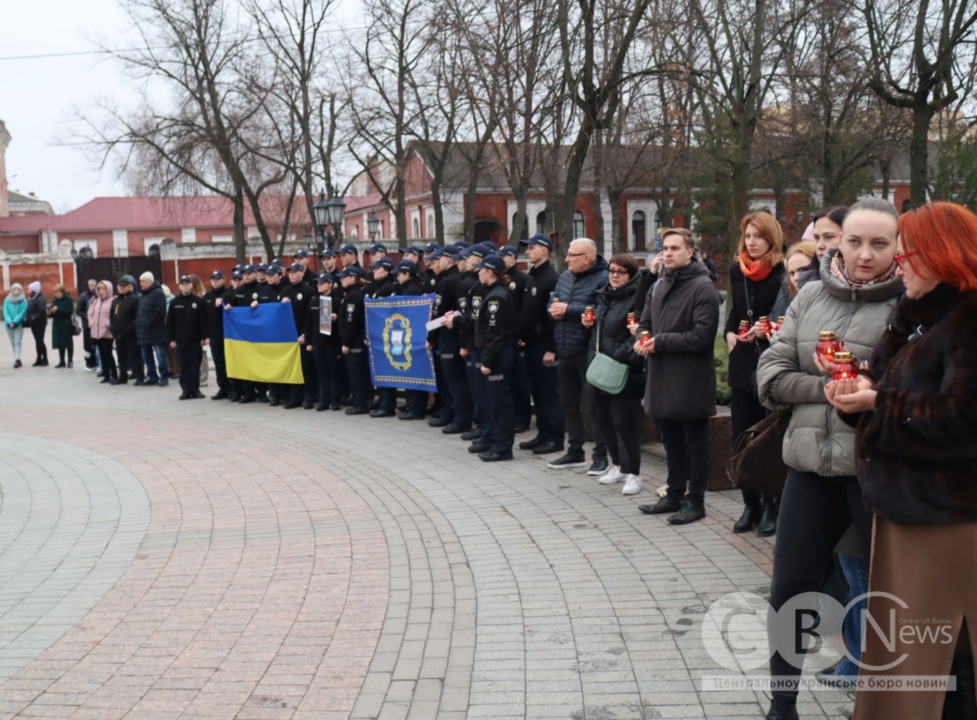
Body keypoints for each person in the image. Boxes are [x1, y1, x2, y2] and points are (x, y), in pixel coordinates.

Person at [820, 201, 977, 720]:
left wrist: (878, 404)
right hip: (906, 515)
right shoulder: (915, 314)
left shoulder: (967, 317)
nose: (899, 262)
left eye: (909, 251)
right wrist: (860, 393)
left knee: (947, 656)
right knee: (914, 654)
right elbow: (892, 398)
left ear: (941, 254)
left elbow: (964, 419)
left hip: (948, 521)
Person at [755, 198, 905, 720]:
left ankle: (886, 703)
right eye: (855, 240)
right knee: (790, 589)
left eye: (879, 243)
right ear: (838, 240)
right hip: (809, 469)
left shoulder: (911, 304)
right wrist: (833, 384)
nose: (865, 254)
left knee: (887, 596)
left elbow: (909, 390)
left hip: (875, 474)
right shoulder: (810, 293)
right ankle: (782, 704)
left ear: (898, 247)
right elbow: (769, 377)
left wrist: (868, 386)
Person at [634, 228, 721, 525]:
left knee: (695, 443)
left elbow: (701, 337)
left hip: (691, 379)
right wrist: (642, 338)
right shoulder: (658, 286)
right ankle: (673, 495)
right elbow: (644, 321)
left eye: (674, 248)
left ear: (690, 253)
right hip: (660, 376)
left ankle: (695, 501)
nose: (667, 253)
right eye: (664, 248)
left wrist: (660, 342)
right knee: (669, 440)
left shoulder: (703, 287)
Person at [724, 212, 786, 536]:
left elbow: (787, 315)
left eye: (758, 236)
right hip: (744, 358)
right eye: (748, 236)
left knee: (767, 434)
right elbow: (734, 310)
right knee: (742, 434)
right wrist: (729, 334)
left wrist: (768, 328)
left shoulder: (783, 271)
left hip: (770, 357)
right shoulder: (738, 270)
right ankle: (751, 504)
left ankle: (772, 504)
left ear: (771, 238)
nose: (752, 242)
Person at [581, 253, 646, 495]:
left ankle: (633, 473)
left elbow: (637, 334)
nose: (614, 276)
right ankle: (617, 465)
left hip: (623, 369)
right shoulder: (605, 296)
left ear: (631, 275)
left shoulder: (636, 298)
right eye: (611, 270)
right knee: (603, 419)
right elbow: (597, 331)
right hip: (599, 367)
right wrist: (586, 325)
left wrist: (619, 356)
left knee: (625, 422)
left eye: (620, 272)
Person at [547, 238, 609, 474]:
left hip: (588, 351)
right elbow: (552, 303)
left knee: (594, 406)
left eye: (572, 255)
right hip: (565, 350)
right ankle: (575, 452)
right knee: (569, 404)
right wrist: (553, 311)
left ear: (588, 258)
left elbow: (603, 311)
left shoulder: (604, 278)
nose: (566, 259)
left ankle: (601, 455)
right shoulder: (565, 277)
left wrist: (569, 311)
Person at [518, 234, 565, 455]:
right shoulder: (533, 277)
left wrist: (551, 348)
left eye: (531, 248)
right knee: (537, 392)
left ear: (544, 250)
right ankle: (543, 434)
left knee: (549, 393)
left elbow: (553, 318)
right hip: (530, 344)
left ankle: (555, 438)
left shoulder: (551, 278)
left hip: (543, 346)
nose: (527, 252)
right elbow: (529, 313)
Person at [469, 254, 515, 461]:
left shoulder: (496, 296)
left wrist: (487, 362)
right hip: (495, 354)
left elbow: (495, 334)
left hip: (498, 356)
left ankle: (503, 448)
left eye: (481, 269)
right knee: (493, 403)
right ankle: (496, 442)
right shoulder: (493, 293)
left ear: (489, 271)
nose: (478, 272)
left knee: (500, 404)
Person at [430, 246, 470, 433]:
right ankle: (458, 415)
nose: (437, 262)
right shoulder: (459, 279)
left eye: (441, 258)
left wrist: (431, 336)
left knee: (453, 381)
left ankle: (458, 417)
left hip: (448, 335)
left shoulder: (447, 282)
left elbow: (437, 312)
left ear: (449, 260)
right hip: (459, 335)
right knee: (459, 380)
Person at [499, 245, 531, 432]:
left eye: (503, 257)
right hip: (506, 335)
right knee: (510, 380)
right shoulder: (503, 279)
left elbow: (522, 310)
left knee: (520, 380)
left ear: (512, 258)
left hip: (516, 336)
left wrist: (520, 333)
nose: (501, 260)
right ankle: (513, 416)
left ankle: (522, 418)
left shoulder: (521, 279)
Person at [393, 260, 429, 420]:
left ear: (407, 274)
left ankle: (416, 409)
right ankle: (413, 406)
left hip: (414, 336)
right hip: (412, 336)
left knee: (415, 373)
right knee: (412, 373)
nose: (397, 278)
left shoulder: (411, 290)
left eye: (399, 274)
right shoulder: (407, 288)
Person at [303, 273, 344, 411]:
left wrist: (336, 318)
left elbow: (343, 323)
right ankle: (323, 400)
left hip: (332, 343)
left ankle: (335, 400)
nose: (318, 285)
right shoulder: (314, 302)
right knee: (321, 373)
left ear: (330, 284)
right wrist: (309, 342)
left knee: (334, 372)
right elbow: (309, 324)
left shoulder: (338, 302)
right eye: (317, 283)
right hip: (317, 343)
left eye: (322, 283)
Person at [279, 263, 316, 409]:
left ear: (302, 273)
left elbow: (310, 316)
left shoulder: (309, 291)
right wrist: (281, 304)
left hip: (303, 336)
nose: (292, 275)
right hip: (289, 337)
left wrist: (305, 335)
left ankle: (308, 398)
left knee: (306, 368)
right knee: (293, 368)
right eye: (290, 272)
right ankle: (295, 397)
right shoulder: (285, 292)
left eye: (295, 272)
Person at [167, 275, 207, 400]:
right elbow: (170, 323)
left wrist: (203, 337)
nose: (185, 286)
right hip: (181, 341)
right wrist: (172, 339)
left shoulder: (198, 301)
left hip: (195, 340)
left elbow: (203, 321)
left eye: (187, 283)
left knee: (195, 365)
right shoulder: (174, 303)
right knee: (183, 366)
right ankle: (185, 390)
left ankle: (195, 390)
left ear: (191, 285)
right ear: (179, 286)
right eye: (182, 284)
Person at [338, 265, 370, 415]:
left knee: (356, 374)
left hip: (355, 342)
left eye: (344, 277)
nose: (341, 280)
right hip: (357, 341)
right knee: (358, 373)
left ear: (352, 278)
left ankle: (360, 404)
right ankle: (362, 402)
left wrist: (346, 343)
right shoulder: (355, 294)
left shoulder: (353, 296)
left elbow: (351, 323)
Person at [369, 256, 398, 418]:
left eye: (377, 268)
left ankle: (387, 405)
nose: (373, 270)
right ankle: (383, 402)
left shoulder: (387, 288)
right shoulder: (378, 287)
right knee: (380, 370)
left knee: (386, 370)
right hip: (377, 334)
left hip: (384, 334)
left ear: (386, 270)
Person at [136, 272, 170, 387]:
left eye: (143, 281)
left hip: (156, 331)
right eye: (140, 282)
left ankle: (164, 377)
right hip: (144, 331)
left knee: (160, 355)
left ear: (149, 282)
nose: (141, 284)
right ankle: (152, 376)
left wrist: (148, 323)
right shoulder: (144, 294)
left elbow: (160, 312)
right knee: (146, 356)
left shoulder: (158, 293)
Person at [110, 276, 143, 385]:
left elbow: (137, 317)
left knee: (135, 356)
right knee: (121, 357)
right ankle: (122, 377)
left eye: (124, 286)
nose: (122, 288)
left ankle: (139, 377)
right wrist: (113, 328)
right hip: (118, 334)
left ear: (130, 287)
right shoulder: (115, 300)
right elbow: (113, 316)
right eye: (120, 286)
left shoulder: (134, 299)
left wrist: (130, 328)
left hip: (131, 335)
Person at [202, 271, 229, 399]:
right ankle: (222, 388)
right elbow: (204, 318)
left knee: (229, 362)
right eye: (213, 279)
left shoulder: (229, 294)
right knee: (219, 363)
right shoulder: (207, 297)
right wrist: (206, 336)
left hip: (229, 335)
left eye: (218, 279)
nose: (215, 281)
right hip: (214, 335)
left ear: (223, 280)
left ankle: (233, 388)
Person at [88, 281, 117, 384]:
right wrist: (91, 323)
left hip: (107, 332)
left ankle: (114, 374)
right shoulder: (96, 301)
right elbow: (90, 313)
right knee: (101, 354)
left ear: (108, 289)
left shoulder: (113, 301)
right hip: (97, 332)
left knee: (108, 354)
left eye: (103, 289)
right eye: (99, 289)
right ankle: (106, 375)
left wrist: (108, 324)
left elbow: (114, 315)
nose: (101, 291)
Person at [48, 284, 76, 368]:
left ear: (62, 292)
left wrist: (58, 309)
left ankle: (70, 360)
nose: (56, 294)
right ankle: (62, 361)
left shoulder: (68, 299)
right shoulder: (55, 300)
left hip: (66, 324)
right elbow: (53, 312)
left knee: (68, 343)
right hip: (57, 323)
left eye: (57, 292)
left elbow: (69, 311)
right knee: (60, 343)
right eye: (55, 292)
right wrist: (50, 313)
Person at [76, 279, 98, 370]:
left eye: (94, 285)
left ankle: (96, 361)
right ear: (88, 286)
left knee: (96, 344)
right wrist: (86, 316)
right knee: (88, 344)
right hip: (87, 325)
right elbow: (78, 310)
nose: (92, 287)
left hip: (96, 325)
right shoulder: (83, 296)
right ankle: (88, 362)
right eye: (91, 285)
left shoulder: (98, 295)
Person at [4, 283, 27, 368]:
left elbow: (22, 312)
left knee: (17, 341)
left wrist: (14, 322)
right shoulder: (7, 299)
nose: (16, 291)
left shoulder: (23, 300)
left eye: (18, 289)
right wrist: (9, 321)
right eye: (14, 289)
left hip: (18, 324)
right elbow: (5, 311)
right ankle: (16, 358)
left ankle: (17, 359)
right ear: (12, 290)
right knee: (13, 342)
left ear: (21, 291)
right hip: (8, 324)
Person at [25, 281, 48, 367]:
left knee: (40, 341)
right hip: (34, 323)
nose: (28, 291)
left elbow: (42, 311)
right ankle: (39, 358)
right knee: (37, 341)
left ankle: (45, 359)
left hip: (40, 323)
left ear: (34, 290)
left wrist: (34, 318)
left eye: (30, 289)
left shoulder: (40, 299)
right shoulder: (32, 298)